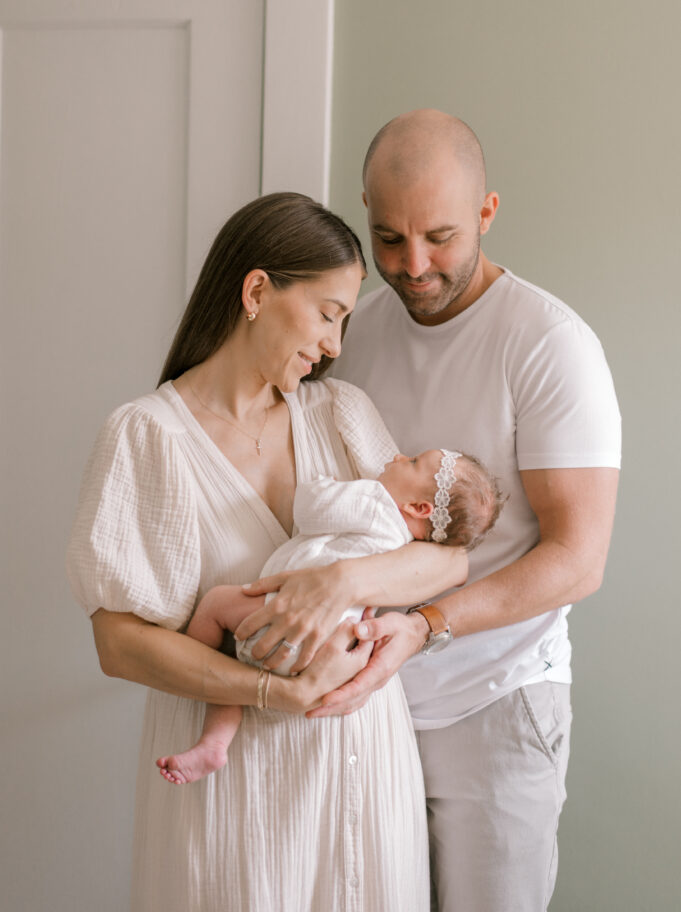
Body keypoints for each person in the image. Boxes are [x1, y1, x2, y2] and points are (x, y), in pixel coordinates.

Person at [241, 114, 621, 912]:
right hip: (360, 708)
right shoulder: (352, 333)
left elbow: (577, 558)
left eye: (440, 238)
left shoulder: (547, 345)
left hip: (495, 700)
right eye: (388, 239)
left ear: (485, 212)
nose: (412, 267)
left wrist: (425, 624)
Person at [67, 191, 470, 912]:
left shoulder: (341, 412)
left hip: (361, 759)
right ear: (257, 290)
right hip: (235, 780)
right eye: (327, 313)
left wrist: (340, 581)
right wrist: (270, 692)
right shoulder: (145, 437)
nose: (335, 345)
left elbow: (446, 559)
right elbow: (118, 644)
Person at [157, 448, 503, 785]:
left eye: (412, 462)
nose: (398, 457)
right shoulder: (402, 544)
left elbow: (311, 508)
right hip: (333, 654)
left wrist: (325, 481)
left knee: (217, 606)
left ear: (418, 507)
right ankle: (214, 746)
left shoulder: (375, 504)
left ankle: (206, 710)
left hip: (285, 622)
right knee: (239, 666)